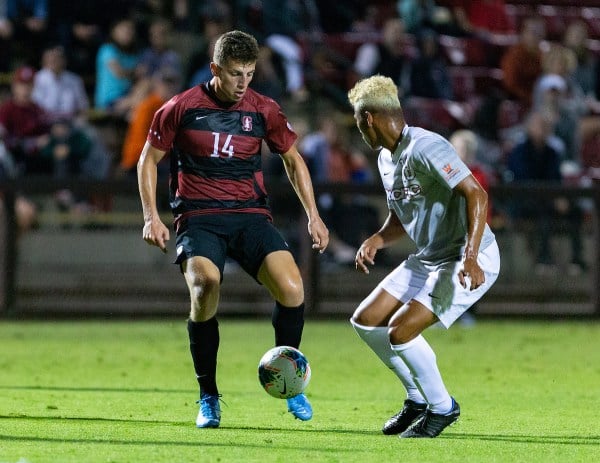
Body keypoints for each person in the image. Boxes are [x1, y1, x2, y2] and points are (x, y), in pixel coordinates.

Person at [137, 30, 329, 428]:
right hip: (199, 217)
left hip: (250, 216)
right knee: (206, 285)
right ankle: (208, 395)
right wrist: (151, 215)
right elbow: (147, 160)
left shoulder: (264, 109)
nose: (243, 83)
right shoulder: (180, 107)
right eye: (235, 74)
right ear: (215, 69)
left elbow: (293, 160)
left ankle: (289, 382)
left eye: (250, 73)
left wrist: (313, 213)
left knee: (293, 289)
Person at [346, 75, 500, 438]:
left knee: (401, 331)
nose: (360, 132)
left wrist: (471, 256)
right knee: (366, 321)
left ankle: (442, 407)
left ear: (368, 119)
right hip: (429, 256)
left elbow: (476, 194)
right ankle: (416, 399)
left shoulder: (427, 146)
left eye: (357, 123)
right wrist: (377, 240)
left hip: (467, 256)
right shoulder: (386, 158)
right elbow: (402, 216)